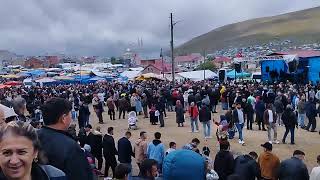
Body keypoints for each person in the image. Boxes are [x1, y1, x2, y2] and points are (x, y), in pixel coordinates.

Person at [37, 97, 93, 180]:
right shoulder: (70, 147)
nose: (71, 117)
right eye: (70, 114)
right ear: (63, 118)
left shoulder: (33, 137)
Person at [0, 121, 67, 180]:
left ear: (35, 153)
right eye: (7, 153)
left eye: (21, 152)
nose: (14, 161)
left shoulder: (55, 176)